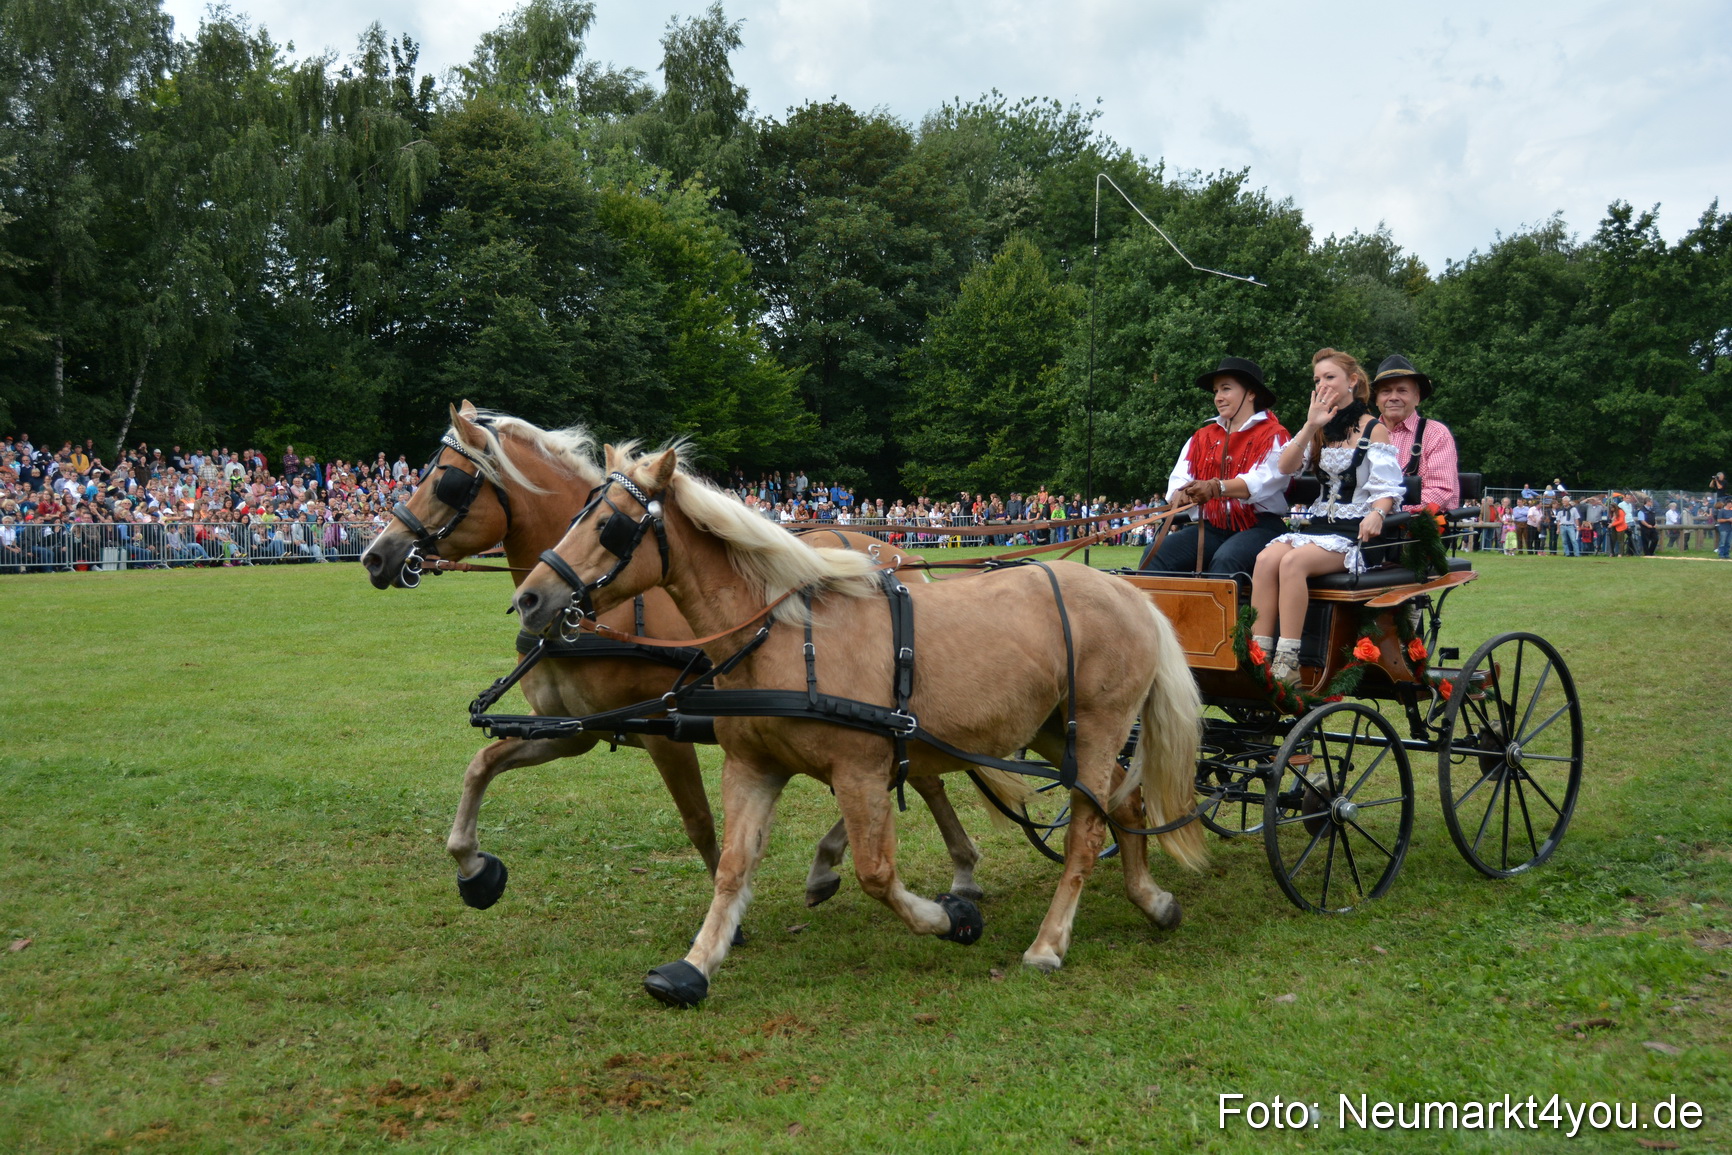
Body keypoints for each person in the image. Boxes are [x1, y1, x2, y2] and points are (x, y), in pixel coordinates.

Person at [1251, 349, 1403, 683]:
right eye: (1317, 380)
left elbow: (1387, 487)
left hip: (1356, 530)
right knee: (1265, 560)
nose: (1322, 385)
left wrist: (1378, 513)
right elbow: (1286, 468)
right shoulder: (1319, 429)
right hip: (1319, 524)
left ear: (1352, 381)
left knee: (1292, 563)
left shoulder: (1373, 430)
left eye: (1330, 377)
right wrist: (1309, 425)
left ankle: (1288, 661)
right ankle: (1258, 656)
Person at [1140, 356, 1292, 578]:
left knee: (1227, 558)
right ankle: (1158, 614)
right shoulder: (1202, 437)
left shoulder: (1274, 435)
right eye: (1216, 391)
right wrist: (1182, 495)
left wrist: (1215, 487)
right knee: (1157, 552)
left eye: (1226, 389)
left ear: (1251, 393)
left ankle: (1223, 614)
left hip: (1261, 527)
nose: (1218, 397)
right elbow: (1178, 481)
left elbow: (1262, 481)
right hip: (1212, 527)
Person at [1371, 355, 1458, 513]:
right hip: (1364, 525)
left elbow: (1440, 490)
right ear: (1376, 400)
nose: (1393, 397)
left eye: (1402, 390)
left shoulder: (1436, 434)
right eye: (1386, 391)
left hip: (1415, 530)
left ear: (1417, 397)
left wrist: (1386, 511)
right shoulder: (1362, 435)